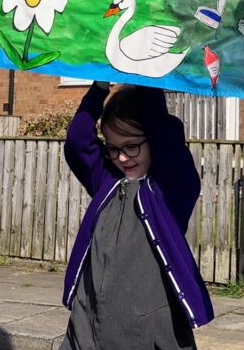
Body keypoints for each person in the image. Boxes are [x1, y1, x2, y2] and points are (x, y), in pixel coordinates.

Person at [59, 80, 214, 349]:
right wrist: (98, 89)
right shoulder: (106, 180)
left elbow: (163, 132)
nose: (121, 158)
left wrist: (145, 76)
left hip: (148, 333)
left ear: (152, 139)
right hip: (88, 329)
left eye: (131, 146)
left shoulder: (170, 190)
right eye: (114, 148)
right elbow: (77, 142)